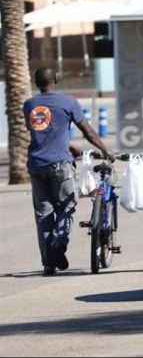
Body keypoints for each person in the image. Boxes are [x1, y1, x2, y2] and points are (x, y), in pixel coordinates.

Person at [23, 67, 115, 276]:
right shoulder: (68, 102)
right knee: (66, 206)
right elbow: (88, 131)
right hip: (60, 164)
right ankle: (59, 244)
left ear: (36, 83)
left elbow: (43, 133)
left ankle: (48, 262)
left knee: (43, 213)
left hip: (37, 164)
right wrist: (105, 150)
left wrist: (69, 146)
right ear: (57, 79)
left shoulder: (29, 105)